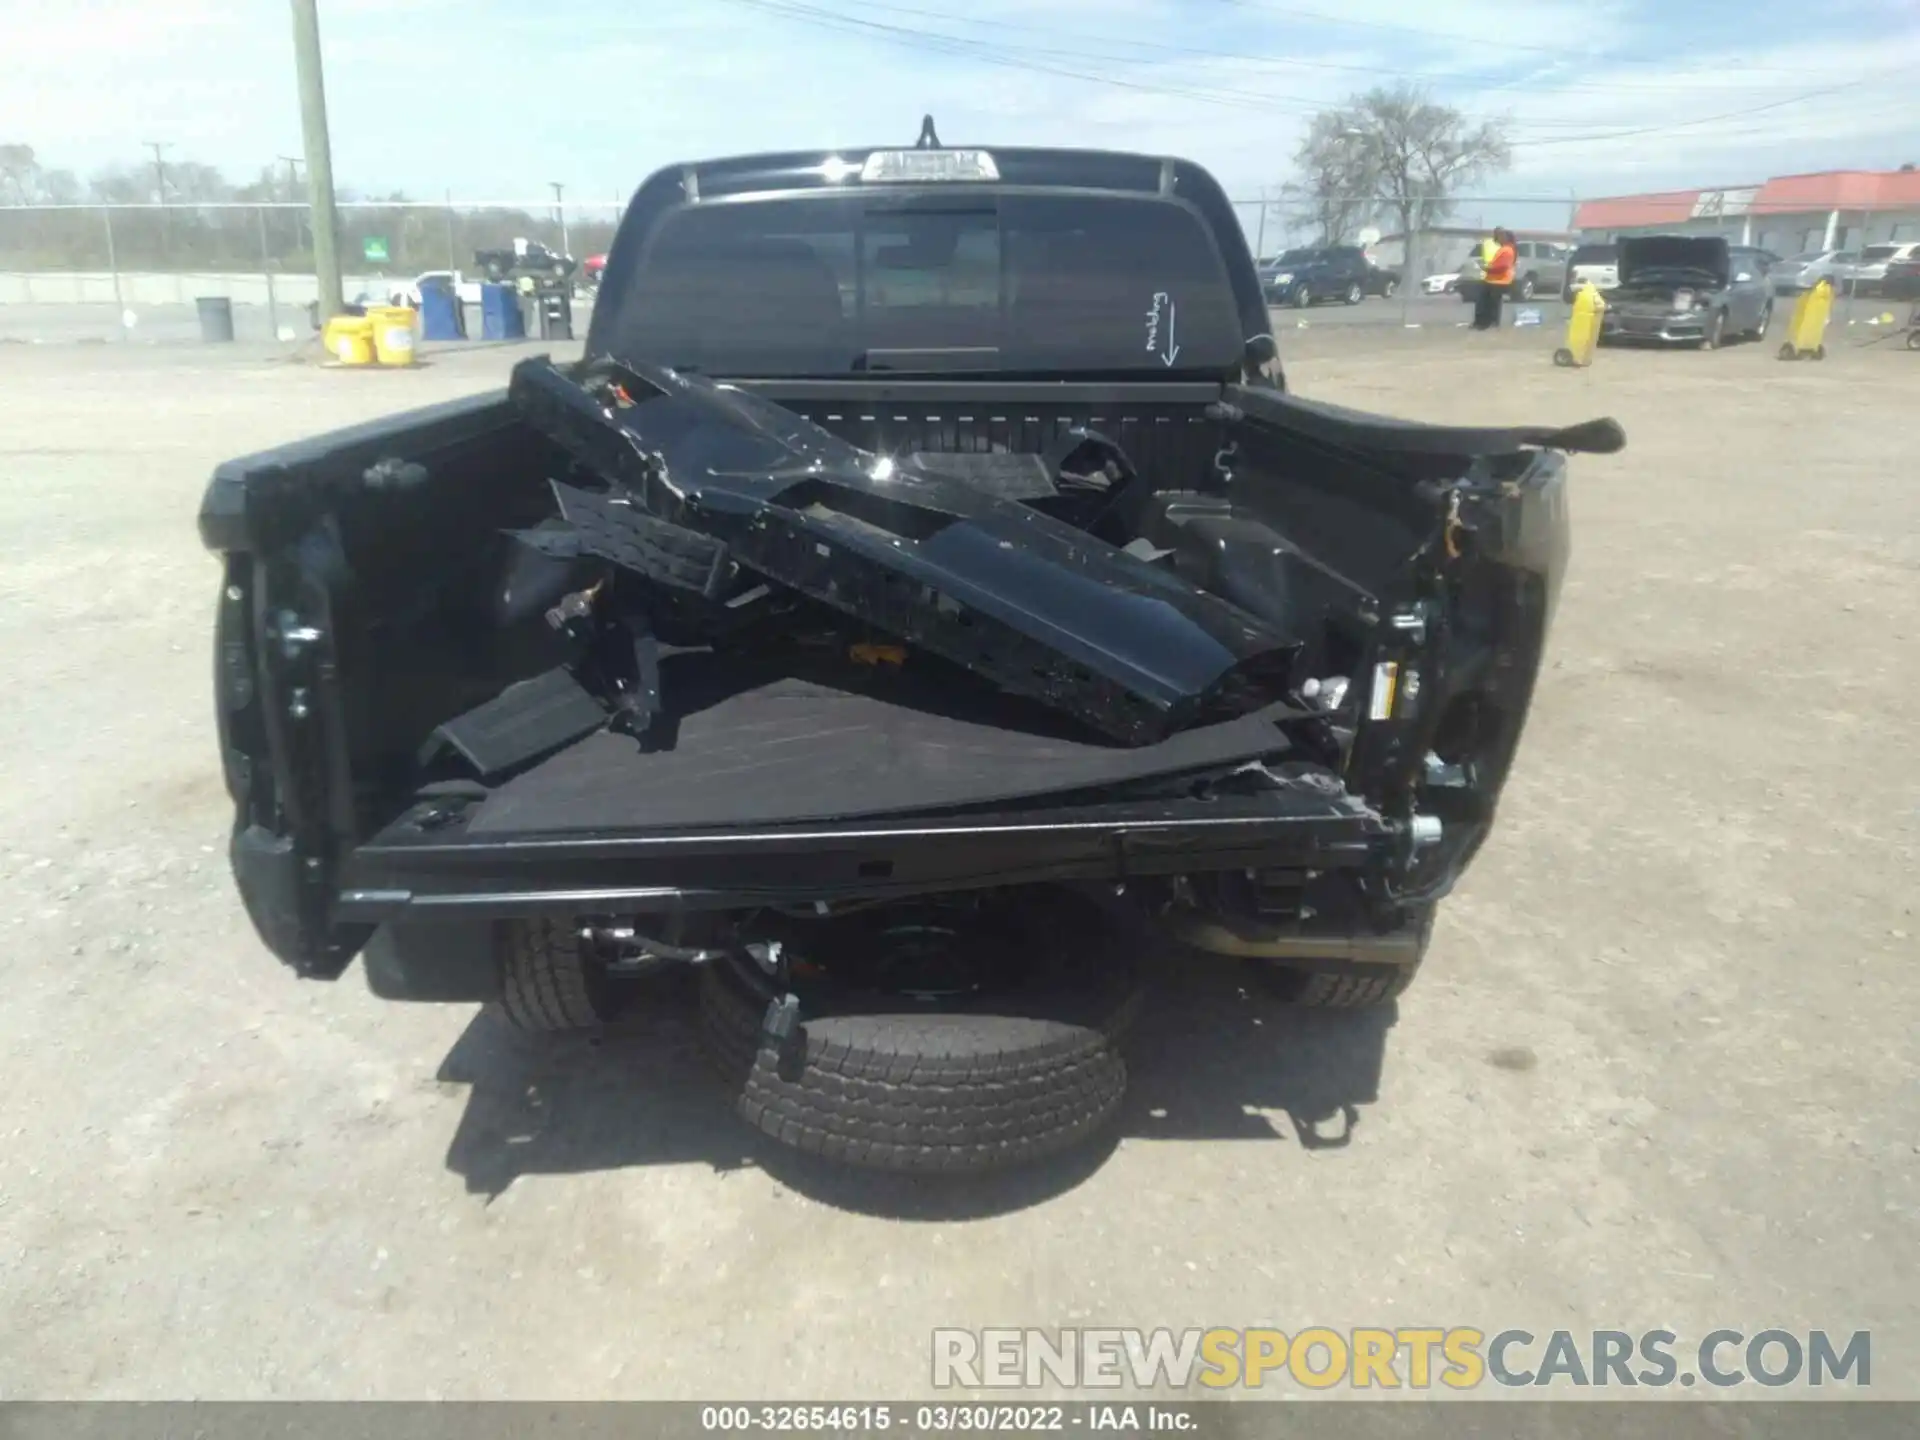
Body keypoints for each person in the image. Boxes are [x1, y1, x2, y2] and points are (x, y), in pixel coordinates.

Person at [1475, 228, 1517, 330]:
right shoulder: (1504, 249)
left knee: (1492, 303)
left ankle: (1491, 323)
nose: (1499, 238)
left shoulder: (1507, 250)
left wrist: (1488, 268)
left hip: (1499, 280)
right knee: (1489, 302)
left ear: (1506, 238)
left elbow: (1503, 266)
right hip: (1493, 279)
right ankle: (1486, 323)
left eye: (1501, 237)